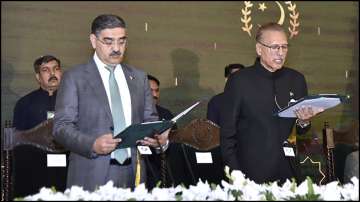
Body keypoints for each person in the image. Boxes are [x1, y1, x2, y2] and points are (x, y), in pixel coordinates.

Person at [53, 14, 169, 191]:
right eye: (108, 42)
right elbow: (61, 127)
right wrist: (92, 144)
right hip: (91, 174)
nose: (116, 48)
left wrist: (158, 139)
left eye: (122, 41)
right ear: (93, 40)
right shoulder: (74, 78)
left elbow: (149, 121)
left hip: (134, 174)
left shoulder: (138, 78)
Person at [220, 22, 324, 184]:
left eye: (284, 47)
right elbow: (227, 134)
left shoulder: (296, 79)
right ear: (259, 49)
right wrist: (236, 174)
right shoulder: (239, 81)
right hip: (249, 172)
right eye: (275, 47)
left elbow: (300, 131)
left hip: (288, 170)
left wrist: (304, 121)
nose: (281, 53)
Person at [12, 55, 67, 197]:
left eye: (56, 69)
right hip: (35, 173)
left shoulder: (73, 102)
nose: (53, 73)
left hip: (67, 172)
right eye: (46, 70)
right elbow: (18, 144)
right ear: (38, 76)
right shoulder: (24, 104)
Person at [145, 74, 192, 189]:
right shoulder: (132, 114)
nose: (155, 95)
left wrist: (165, 143)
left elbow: (175, 142)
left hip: (163, 173)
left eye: (157, 91)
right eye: (151, 91)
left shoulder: (166, 114)